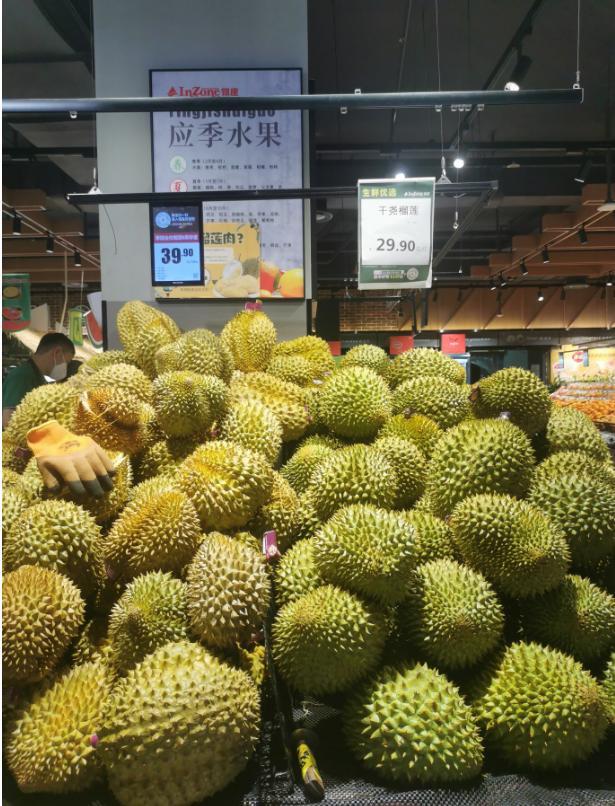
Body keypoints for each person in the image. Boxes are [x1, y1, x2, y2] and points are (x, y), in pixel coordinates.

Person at [2, 332, 75, 428]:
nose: (66, 367)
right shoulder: (23, 376)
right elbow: (8, 420)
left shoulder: (37, 376)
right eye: (67, 362)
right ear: (57, 353)